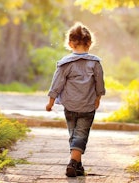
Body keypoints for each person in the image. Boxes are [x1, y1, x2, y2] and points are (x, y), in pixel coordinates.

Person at [46, 22, 105, 177]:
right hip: (87, 106)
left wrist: (51, 102)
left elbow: (56, 83)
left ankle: (77, 165)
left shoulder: (65, 63)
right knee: (81, 134)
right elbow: (100, 83)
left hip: (70, 106)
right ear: (90, 43)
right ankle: (73, 163)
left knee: (74, 134)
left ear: (70, 43)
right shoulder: (95, 63)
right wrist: (98, 97)